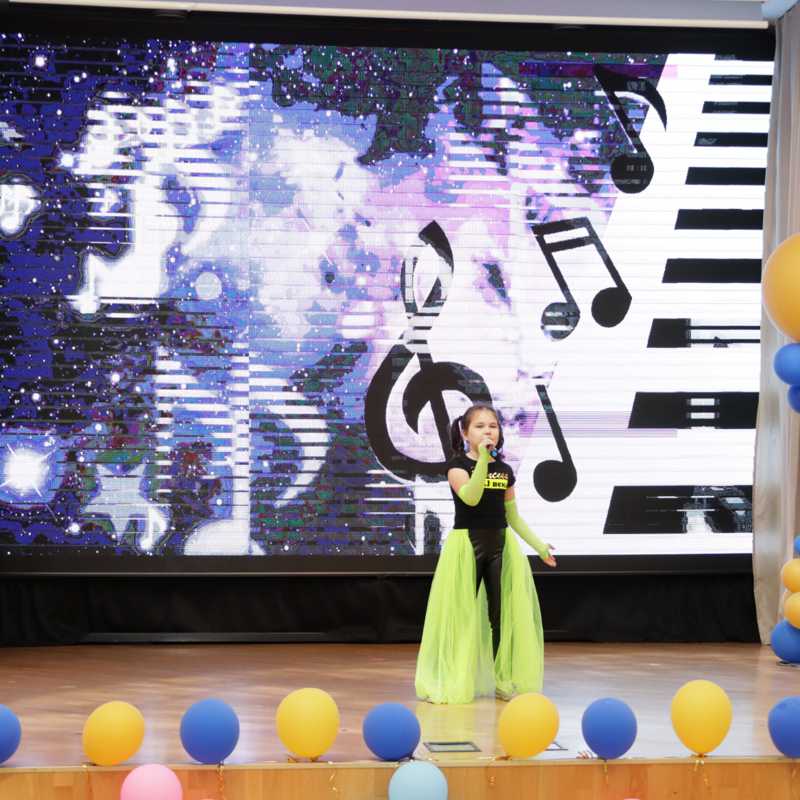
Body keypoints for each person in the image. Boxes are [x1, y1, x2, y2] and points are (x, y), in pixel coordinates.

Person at [415, 403, 557, 704]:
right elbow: (471, 496)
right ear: (465, 433)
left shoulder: (505, 471)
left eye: (492, 426)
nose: (487, 431)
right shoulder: (456, 466)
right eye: (479, 426)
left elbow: (513, 516)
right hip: (466, 547)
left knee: (500, 616)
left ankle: (502, 679)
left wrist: (540, 546)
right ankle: (454, 679)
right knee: (461, 615)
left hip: (500, 546)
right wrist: (482, 460)